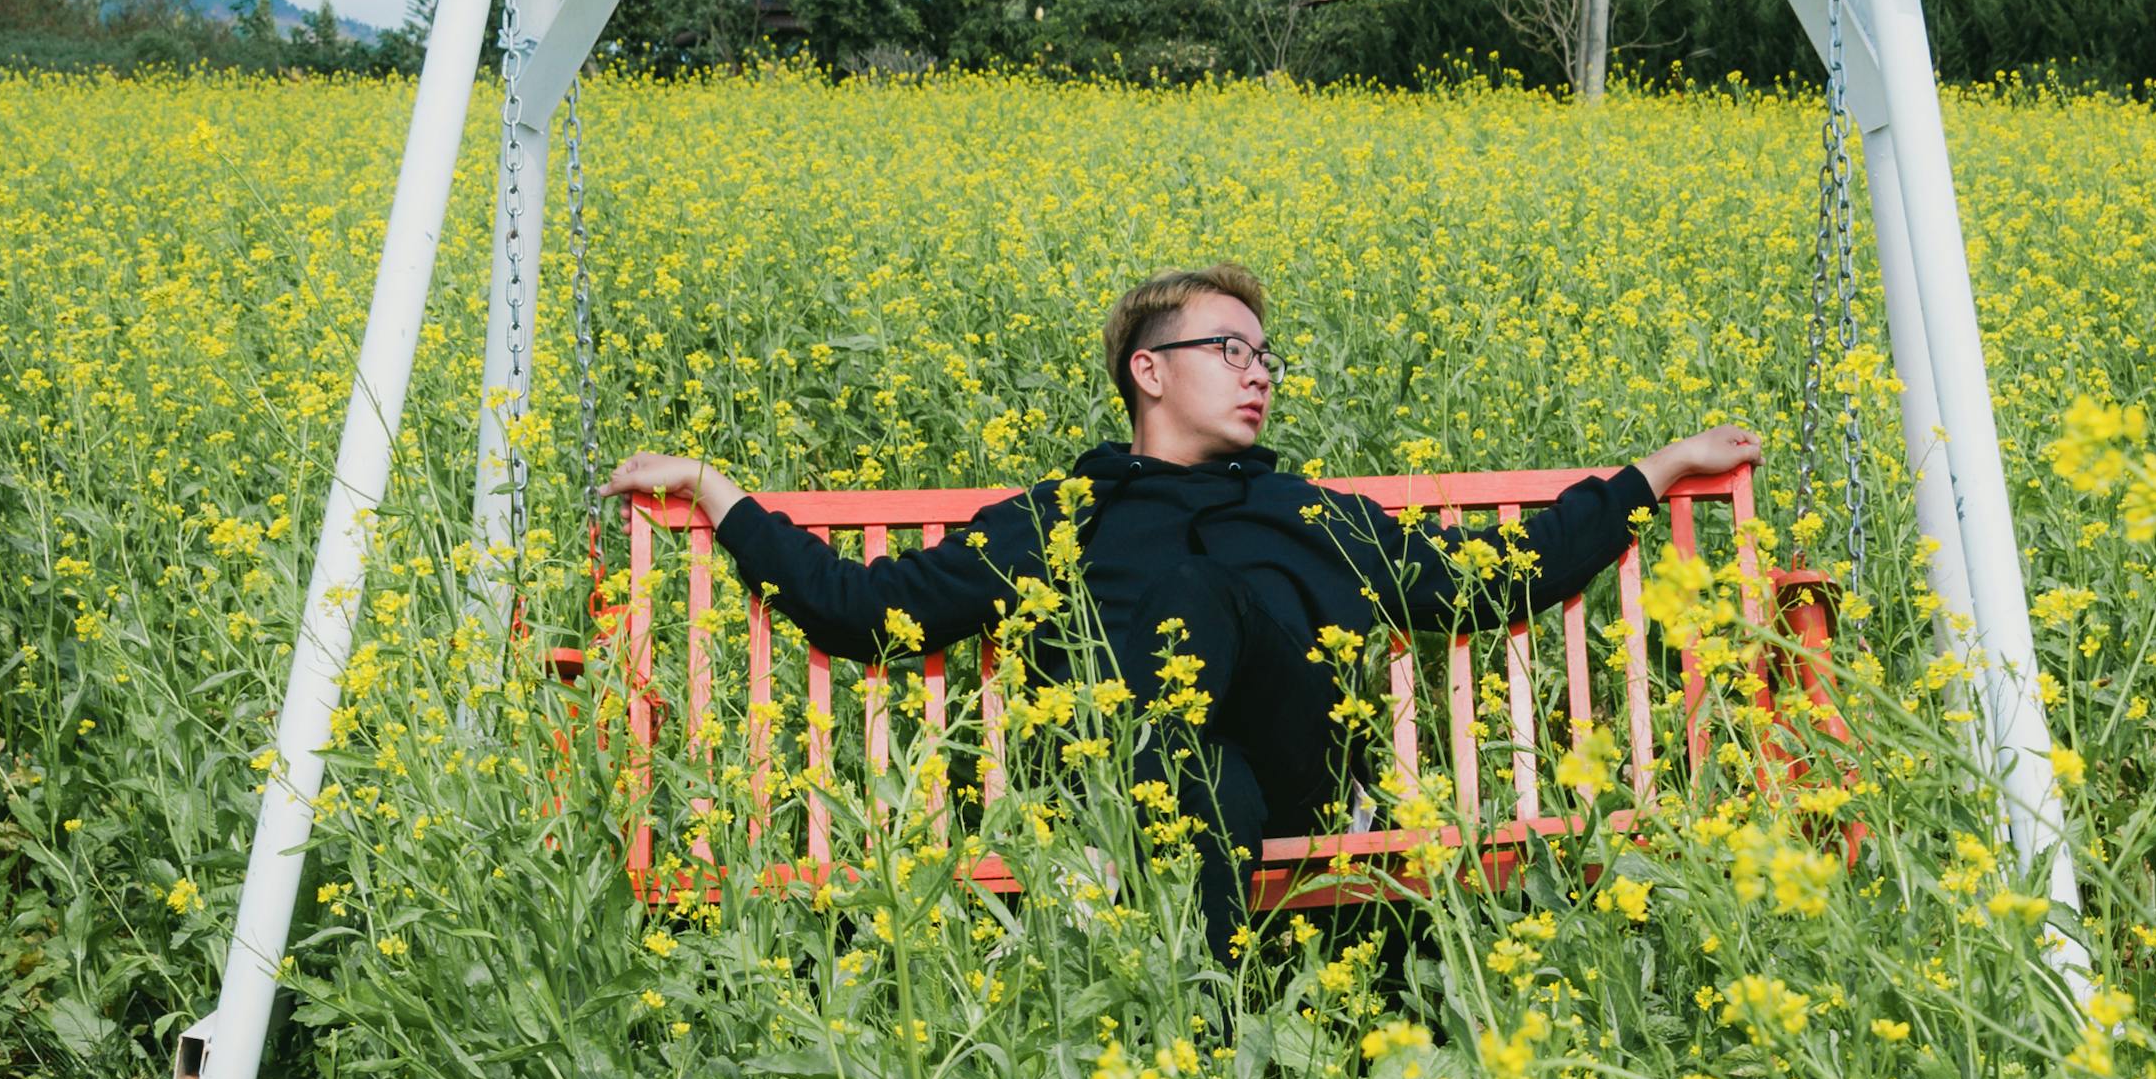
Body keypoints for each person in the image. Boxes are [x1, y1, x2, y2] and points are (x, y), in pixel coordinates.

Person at [599, 262, 1757, 947]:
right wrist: (714, 494)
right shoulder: (1068, 511)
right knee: (1195, 776)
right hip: (1128, 785)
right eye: (1228, 349)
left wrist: (1649, 475)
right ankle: (1204, 1038)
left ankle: (1174, 1031)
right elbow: (863, 607)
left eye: (1266, 358)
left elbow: (1490, 580)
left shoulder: (1304, 510)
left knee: (1205, 607)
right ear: (1148, 372)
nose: (1259, 373)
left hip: (1284, 762)